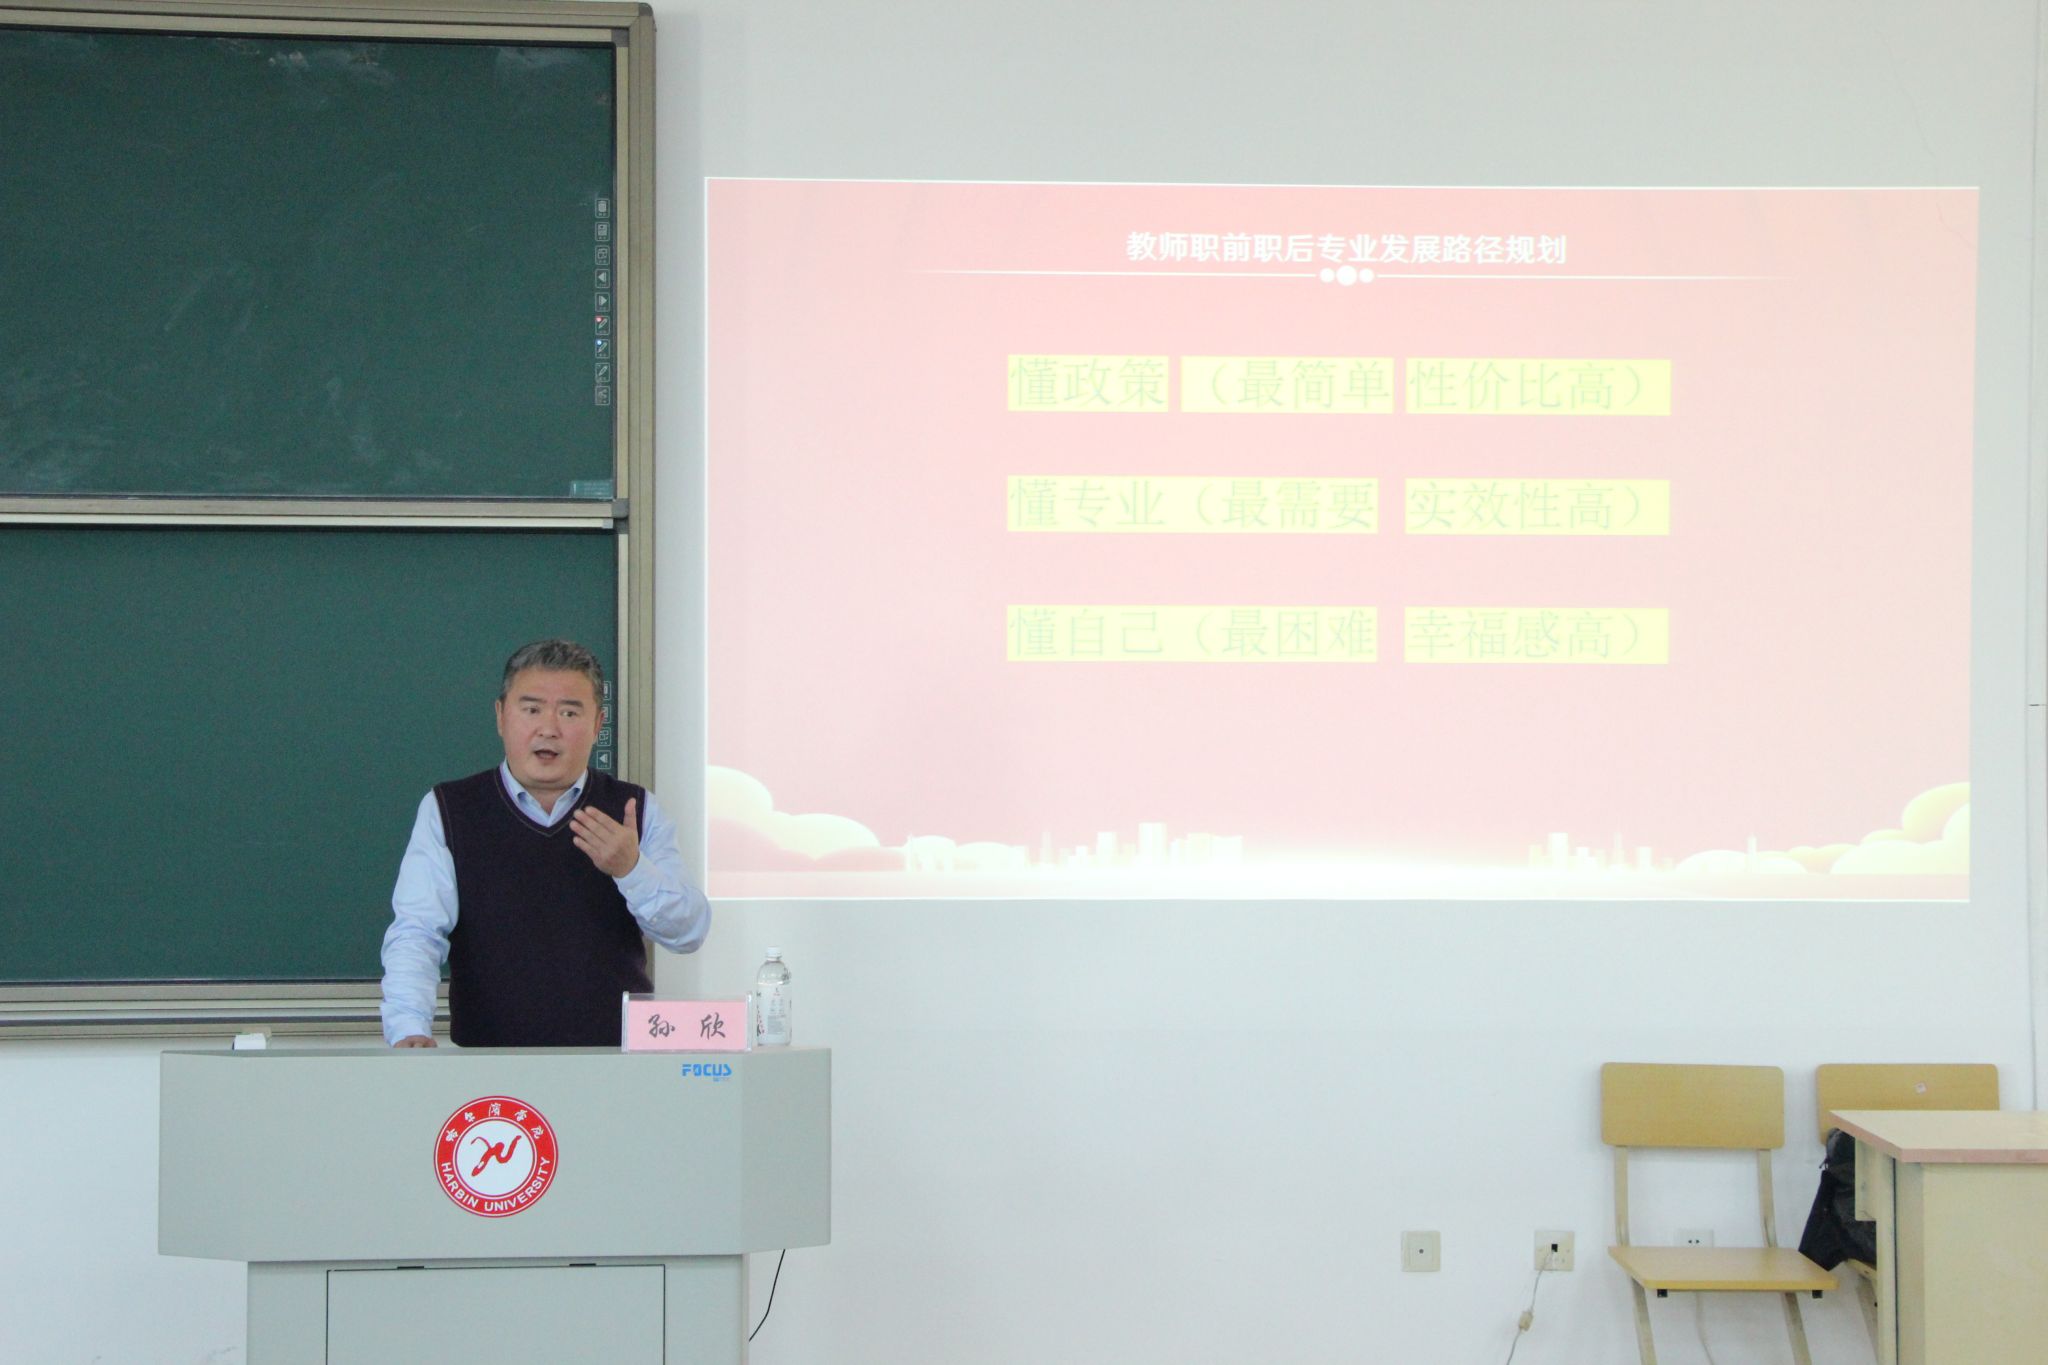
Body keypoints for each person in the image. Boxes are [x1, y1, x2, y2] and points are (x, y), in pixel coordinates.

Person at [379, 638, 710, 1047]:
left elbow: (689, 932)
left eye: (569, 712)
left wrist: (631, 868)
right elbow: (417, 932)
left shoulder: (633, 810)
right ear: (501, 716)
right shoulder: (450, 809)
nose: (549, 729)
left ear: (597, 724)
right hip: (487, 1066)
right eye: (532, 709)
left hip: (615, 1063)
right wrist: (409, 1028)